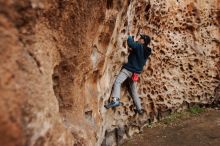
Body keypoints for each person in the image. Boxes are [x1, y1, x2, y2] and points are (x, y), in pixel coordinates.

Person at [104, 33, 152, 114]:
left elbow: (130, 43)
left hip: (128, 70)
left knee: (118, 82)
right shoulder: (146, 51)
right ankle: (139, 108)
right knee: (133, 90)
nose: (139, 39)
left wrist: (130, 36)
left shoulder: (139, 46)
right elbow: (136, 52)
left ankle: (115, 100)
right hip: (135, 74)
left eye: (141, 38)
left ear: (143, 41)